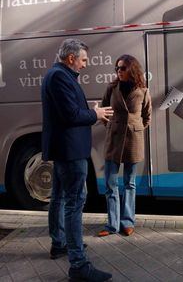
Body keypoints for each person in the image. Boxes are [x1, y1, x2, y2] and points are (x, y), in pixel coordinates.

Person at [41, 38, 113, 282]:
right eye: (83, 60)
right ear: (71, 58)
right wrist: (96, 113)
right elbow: (70, 115)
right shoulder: (59, 76)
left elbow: (69, 110)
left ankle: (60, 244)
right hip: (70, 151)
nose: (85, 64)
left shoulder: (59, 74)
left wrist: (91, 111)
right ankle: (79, 265)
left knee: (59, 198)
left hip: (65, 150)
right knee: (74, 202)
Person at [98, 54, 152, 237]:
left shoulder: (143, 91)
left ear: (131, 69)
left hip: (133, 141)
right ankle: (112, 225)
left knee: (130, 183)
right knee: (110, 183)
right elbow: (104, 111)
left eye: (122, 68)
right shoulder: (112, 88)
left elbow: (147, 116)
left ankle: (127, 222)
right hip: (113, 139)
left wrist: (135, 128)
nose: (118, 72)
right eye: (117, 68)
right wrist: (112, 127)